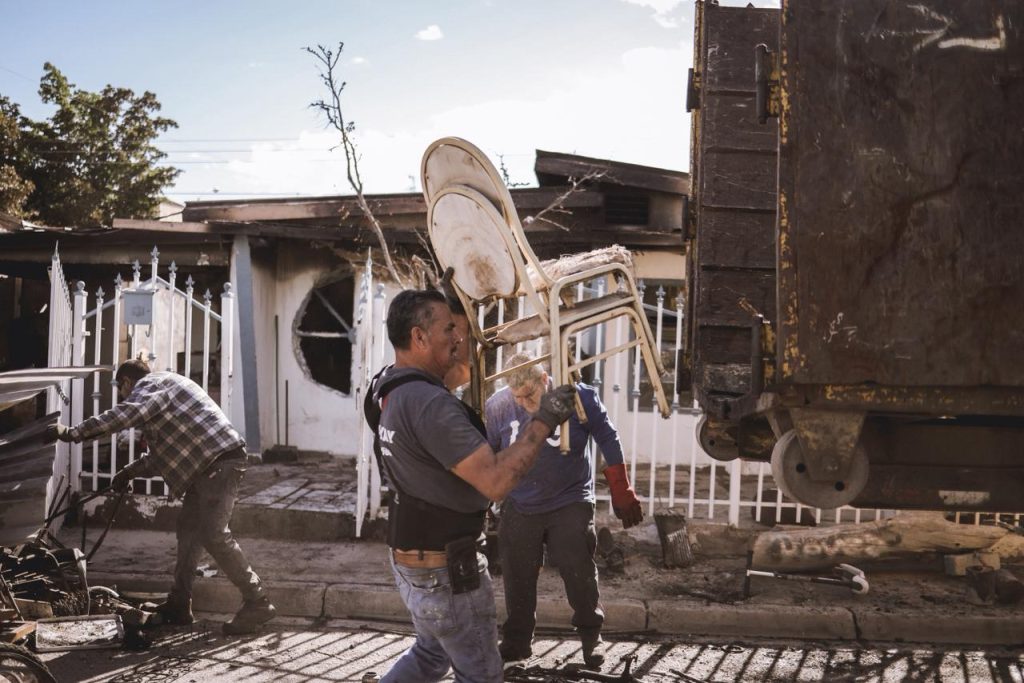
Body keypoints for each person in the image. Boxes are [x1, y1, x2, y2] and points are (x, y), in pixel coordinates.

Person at [366, 289, 576, 683]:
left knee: (431, 655)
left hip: (412, 560)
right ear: (419, 337)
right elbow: (496, 482)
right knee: (481, 673)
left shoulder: (390, 385)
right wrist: (544, 419)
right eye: (449, 330)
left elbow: (461, 371)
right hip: (445, 569)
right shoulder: (431, 405)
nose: (460, 338)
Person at [45, 359, 275, 635]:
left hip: (219, 463)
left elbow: (126, 414)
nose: (123, 396)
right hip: (209, 465)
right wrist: (129, 472)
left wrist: (73, 433)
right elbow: (161, 456)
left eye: (122, 391)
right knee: (188, 530)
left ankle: (257, 601)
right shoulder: (165, 392)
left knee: (213, 534)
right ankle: (179, 604)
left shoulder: (151, 384)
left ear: (127, 382)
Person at [485, 351, 643, 668]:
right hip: (520, 500)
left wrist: (621, 486)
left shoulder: (578, 397)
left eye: (530, 395)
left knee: (577, 566)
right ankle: (517, 642)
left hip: (569, 497)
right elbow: (489, 451)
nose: (524, 404)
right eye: (517, 397)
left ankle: (591, 636)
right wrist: (486, 499)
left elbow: (607, 436)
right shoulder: (498, 405)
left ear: (545, 380)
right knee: (517, 572)